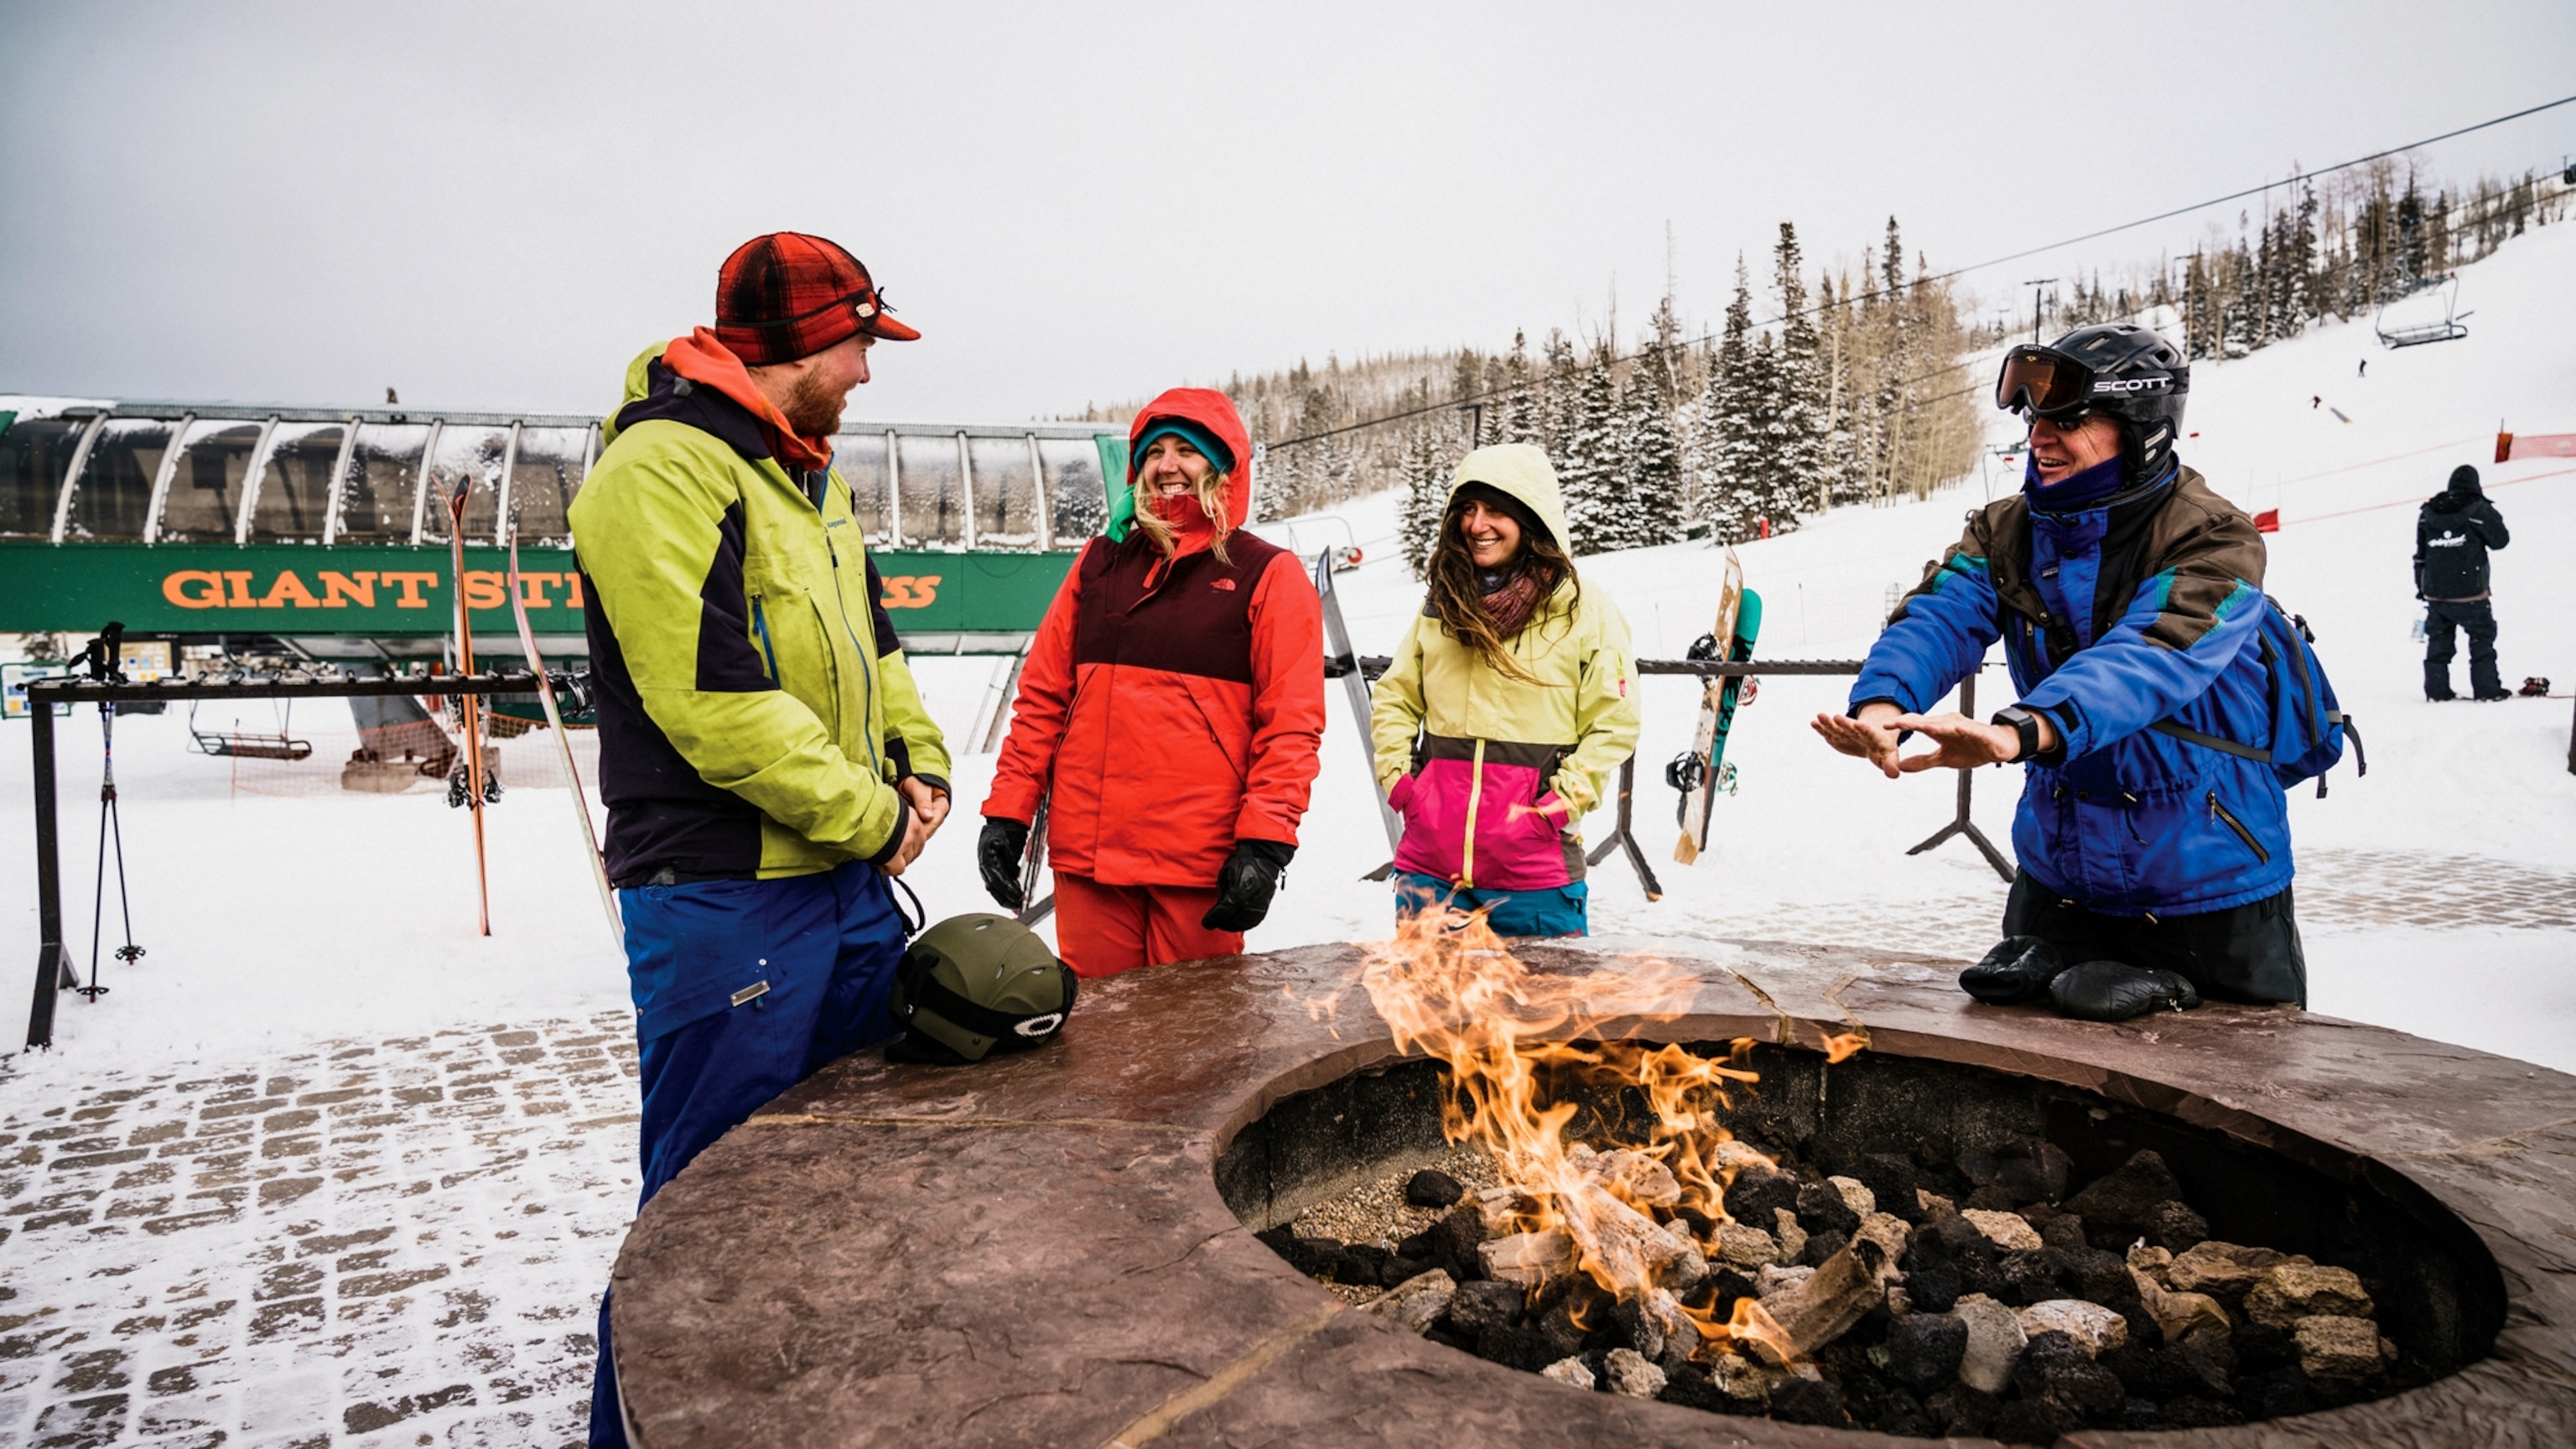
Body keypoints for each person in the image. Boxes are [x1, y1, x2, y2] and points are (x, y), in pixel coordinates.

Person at [569, 232, 949, 1447]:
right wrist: (873, 815)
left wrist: (920, 766)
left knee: (845, 1178)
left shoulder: (807, 478)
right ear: (797, 343)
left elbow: (878, 650)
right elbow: (713, 699)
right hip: (725, 893)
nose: (866, 374)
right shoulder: (661, 471)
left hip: (840, 889)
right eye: (858, 347)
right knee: (706, 1209)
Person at [1813, 323, 2306, 1018]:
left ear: (2140, 429)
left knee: (2241, 1074)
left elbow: (2151, 656)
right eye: (2033, 418)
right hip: (2061, 880)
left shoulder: (2212, 537)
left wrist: (2020, 731)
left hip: (2207, 886)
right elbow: (1939, 616)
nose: (2039, 436)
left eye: (2068, 421)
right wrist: (1882, 708)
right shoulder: (2007, 529)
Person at [976, 389, 1325, 977]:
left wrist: (1265, 844)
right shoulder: (1099, 563)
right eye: (1154, 451)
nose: (1167, 465)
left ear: (1223, 465)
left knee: (1192, 1029)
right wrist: (1008, 813)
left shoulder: (1267, 574)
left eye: (1186, 450)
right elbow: (1042, 699)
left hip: (1196, 860)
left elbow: (1291, 726)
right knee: (1097, 1023)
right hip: (1090, 857)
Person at [1370, 444, 1639, 937]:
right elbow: (1395, 696)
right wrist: (1404, 787)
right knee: (1425, 990)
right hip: (1432, 872)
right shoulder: (1444, 605)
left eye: (1496, 510)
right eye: (1468, 509)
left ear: (1531, 517)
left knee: (1547, 991)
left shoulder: (1583, 610)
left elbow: (1613, 725)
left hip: (1535, 874)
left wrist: (1555, 810)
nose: (1478, 525)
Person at [2416, 464, 2511, 701]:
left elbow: (2420, 556)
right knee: (2481, 641)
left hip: (2436, 593)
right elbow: (2500, 540)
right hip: (2471, 593)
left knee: (2438, 644)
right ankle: (2487, 690)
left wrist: (2421, 588)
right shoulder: (2478, 510)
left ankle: (2437, 692)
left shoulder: (2428, 512)